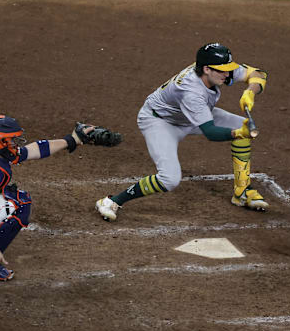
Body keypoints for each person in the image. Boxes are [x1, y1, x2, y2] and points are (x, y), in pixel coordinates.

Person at [96, 42, 268, 221]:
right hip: (160, 122)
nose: (227, 74)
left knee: (240, 123)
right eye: (222, 70)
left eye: (228, 69)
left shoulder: (213, 70)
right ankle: (111, 201)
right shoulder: (191, 91)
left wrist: (250, 91)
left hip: (190, 116)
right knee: (169, 179)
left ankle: (241, 192)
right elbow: (210, 132)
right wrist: (238, 133)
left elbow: (258, 74)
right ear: (207, 69)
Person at [0, 114, 93, 281]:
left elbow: (33, 150)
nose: (15, 143)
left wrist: (72, 140)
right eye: (11, 139)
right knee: (20, 202)